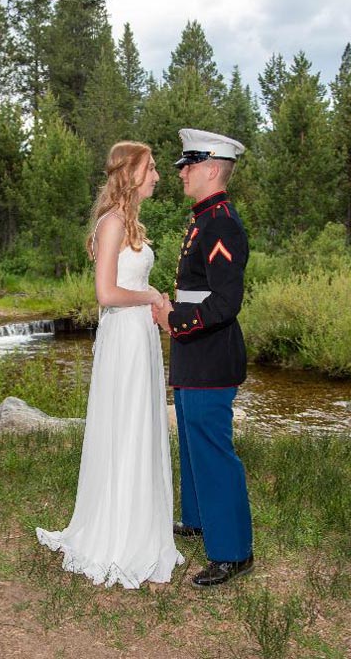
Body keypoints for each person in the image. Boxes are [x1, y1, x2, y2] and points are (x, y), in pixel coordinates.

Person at [36, 141, 184, 588]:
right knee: (125, 427)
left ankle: (141, 525)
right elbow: (106, 293)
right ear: (131, 173)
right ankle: (118, 535)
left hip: (138, 335)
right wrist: (152, 297)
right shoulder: (113, 222)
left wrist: (155, 302)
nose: (158, 175)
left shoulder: (130, 222)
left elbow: (128, 279)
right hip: (123, 337)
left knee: (140, 425)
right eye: (151, 167)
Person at [154, 128, 254, 588]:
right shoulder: (203, 219)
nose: (182, 172)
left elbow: (225, 302)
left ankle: (233, 551)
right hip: (195, 350)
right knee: (193, 442)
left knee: (213, 450)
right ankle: (197, 520)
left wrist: (173, 319)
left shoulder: (221, 223)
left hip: (210, 353)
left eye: (189, 165)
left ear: (212, 169)